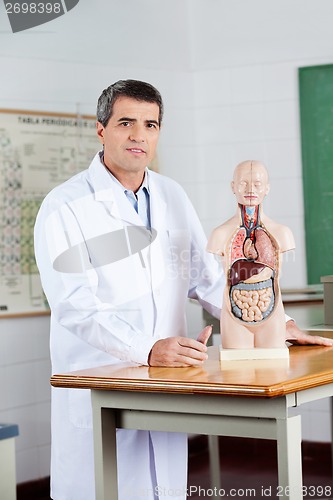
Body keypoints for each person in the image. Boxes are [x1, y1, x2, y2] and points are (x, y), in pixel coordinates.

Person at [34, 80, 333, 500]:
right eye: (126, 123)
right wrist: (149, 349)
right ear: (101, 130)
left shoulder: (170, 194)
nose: (139, 135)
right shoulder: (65, 207)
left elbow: (208, 277)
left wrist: (274, 323)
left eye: (151, 124)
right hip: (102, 386)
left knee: (163, 488)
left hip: (165, 388)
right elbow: (75, 307)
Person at [207, 160, 295, 350]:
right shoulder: (220, 234)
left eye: (257, 184)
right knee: (237, 375)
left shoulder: (282, 233)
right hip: (234, 312)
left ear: (267, 189)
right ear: (233, 187)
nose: (250, 189)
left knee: (274, 373)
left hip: (271, 310)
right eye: (243, 183)